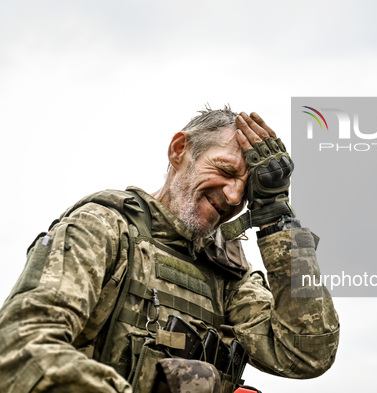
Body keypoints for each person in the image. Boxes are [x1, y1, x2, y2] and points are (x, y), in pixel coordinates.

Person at [0, 107, 340, 393]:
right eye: (225, 171)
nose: (235, 197)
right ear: (179, 150)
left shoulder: (230, 272)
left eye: (248, 189)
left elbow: (306, 353)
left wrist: (276, 217)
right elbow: (21, 346)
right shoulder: (105, 229)